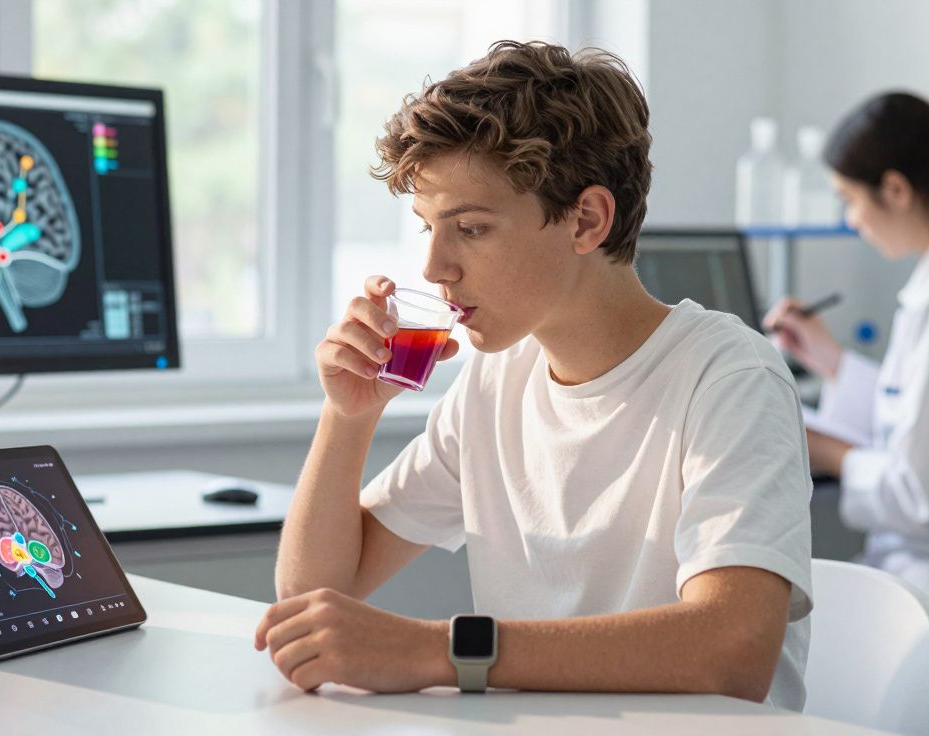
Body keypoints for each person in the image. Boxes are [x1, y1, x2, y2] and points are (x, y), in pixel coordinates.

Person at [254, 40, 814, 710]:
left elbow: (733, 651)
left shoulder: (729, 378)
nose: (434, 267)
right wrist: (347, 417)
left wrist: (439, 651)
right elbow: (317, 594)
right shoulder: (494, 385)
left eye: (471, 228)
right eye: (428, 227)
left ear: (586, 220)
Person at [764, 92, 929, 720]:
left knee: (783, 662)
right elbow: (926, 416)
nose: (850, 221)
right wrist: (831, 360)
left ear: (895, 189)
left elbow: (928, 495)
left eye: (850, 200)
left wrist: (821, 448)